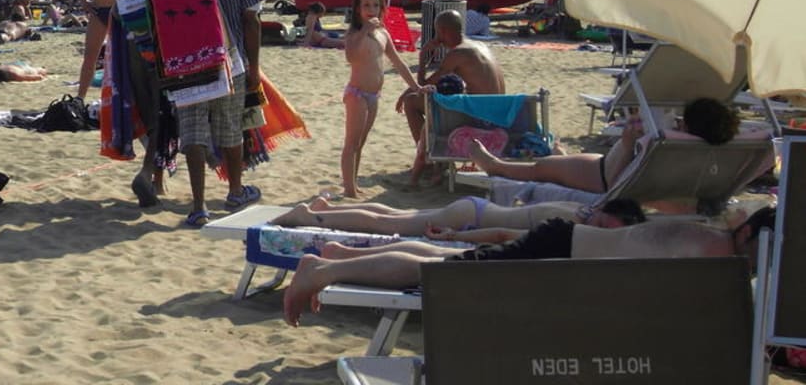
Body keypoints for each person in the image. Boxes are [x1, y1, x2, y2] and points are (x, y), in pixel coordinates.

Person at [282, 206, 776, 326]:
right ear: (749, 235)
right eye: (762, 251)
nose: (760, 265)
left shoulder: (715, 238)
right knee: (439, 273)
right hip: (558, 253)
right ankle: (320, 272)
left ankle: (340, 260)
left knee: (450, 261)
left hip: (564, 249)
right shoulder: (719, 256)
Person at [177, 0, 266, 227]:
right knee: (230, 127)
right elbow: (251, 21)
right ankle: (235, 191)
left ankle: (198, 206)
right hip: (231, 62)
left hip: (188, 61)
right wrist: (255, 67)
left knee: (194, 132)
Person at [467, 97, 743, 194]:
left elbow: (615, 183)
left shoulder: (667, 145)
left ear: (689, 126)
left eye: (683, 120)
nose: (678, 122)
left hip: (601, 174)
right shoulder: (705, 153)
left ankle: (496, 166)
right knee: (558, 162)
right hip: (599, 166)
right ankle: (561, 156)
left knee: (541, 168)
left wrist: (626, 143)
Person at [397, 9, 506, 184]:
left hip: (479, 118)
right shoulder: (479, 46)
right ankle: (432, 160)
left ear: (442, 31)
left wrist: (424, 53)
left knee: (411, 103)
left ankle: (428, 160)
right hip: (498, 114)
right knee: (422, 97)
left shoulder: (457, 54)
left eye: (437, 32)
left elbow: (424, 86)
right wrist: (408, 90)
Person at [126, 0, 185, 206]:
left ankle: (156, 180)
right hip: (163, 46)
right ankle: (150, 173)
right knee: (166, 112)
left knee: (150, 111)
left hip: (136, 43)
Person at [339, 0, 422, 197]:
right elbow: (350, 56)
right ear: (358, 9)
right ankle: (349, 189)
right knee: (352, 142)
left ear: (381, 8)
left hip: (373, 95)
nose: (371, 9)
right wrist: (365, 30)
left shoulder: (383, 33)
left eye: (375, 5)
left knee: (362, 142)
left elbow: (398, 62)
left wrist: (415, 87)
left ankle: (353, 183)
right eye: (366, 5)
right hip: (356, 93)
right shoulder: (355, 33)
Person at [271, 193, 645, 236]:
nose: (602, 231)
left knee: (392, 213)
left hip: (475, 207)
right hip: (471, 218)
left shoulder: (583, 207)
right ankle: (308, 218)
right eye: (605, 226)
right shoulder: (576, 223)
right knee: (388, 223)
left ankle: (327, 209)